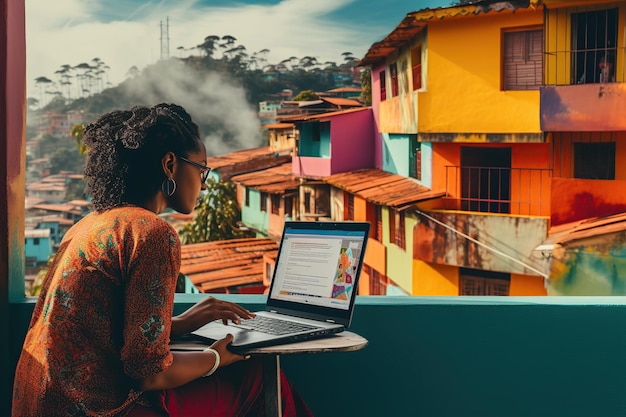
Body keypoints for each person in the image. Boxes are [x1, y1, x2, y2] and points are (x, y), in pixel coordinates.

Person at [12, 103, 314, 417]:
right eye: (201, 169)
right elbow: (148, 373)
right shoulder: (152, 232)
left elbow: (103, 333)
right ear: (170, 165)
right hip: (99, 409)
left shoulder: (88, 225)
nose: (204, 183)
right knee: (256, 377)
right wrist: (217, 357)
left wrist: (182, 324)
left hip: (38, 403)